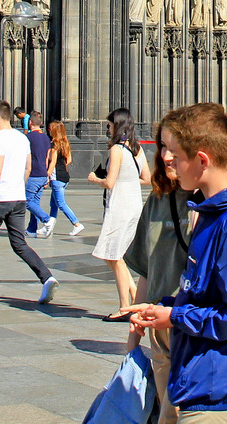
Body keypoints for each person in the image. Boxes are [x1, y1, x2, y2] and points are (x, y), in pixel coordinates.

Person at [127, 102, 227, 424]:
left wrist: (176, 316)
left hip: (218, 391)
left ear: (202, 160)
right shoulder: (212, 212)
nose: (170, 163)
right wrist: (162, 308)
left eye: (177, 156)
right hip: (209, 379)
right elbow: (205, 293)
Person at [124, 119, 195, 424]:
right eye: (162, 147)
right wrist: (133, 337)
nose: (166, 156)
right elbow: (146, 268)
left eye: (174, 148)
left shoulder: (207, 205)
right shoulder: (156, 200)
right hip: (159, 328)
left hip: (193, 328)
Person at [0, 101, 59, 305]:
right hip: (18, 198)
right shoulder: (22, 138)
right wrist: (19, 186)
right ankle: (47, 277)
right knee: (19, 243)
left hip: (0, 198)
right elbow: (27, 168)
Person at [89, 107, 149, 317]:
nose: (108, 127)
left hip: (120, 206)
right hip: (133, 204)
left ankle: (125, 307)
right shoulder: (137, 149)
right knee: (114, 255)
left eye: (110, 124)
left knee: (114, 255)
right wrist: (129, 181)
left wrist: (95, 179)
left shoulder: (116, 150)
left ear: (118, 125)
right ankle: (132, 293)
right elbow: (147, 179)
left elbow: (109, 182)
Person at [44, 119, 84, 235]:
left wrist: (47, 175)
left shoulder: (54, 145)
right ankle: (49, 226)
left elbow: (52, 162)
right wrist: (62, 166)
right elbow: (69, 159)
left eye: (50, 128)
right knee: (54, 203)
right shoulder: (65, 143)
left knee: (61, 203)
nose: (48, 130)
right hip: (64, 176)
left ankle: (76, 223)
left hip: (57, 178)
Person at [24, 113, 54, 236]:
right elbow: (47, 157)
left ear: (30, 122)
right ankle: (32, 229)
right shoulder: (46, 138)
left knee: (26, 201)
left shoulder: (28, 137)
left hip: (33, 173)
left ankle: (47, 219)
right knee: (35, 202)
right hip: (42, 173)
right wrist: (47, 175)